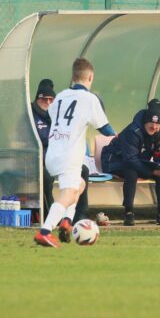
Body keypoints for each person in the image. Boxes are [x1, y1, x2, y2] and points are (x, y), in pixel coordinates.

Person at [34, 58, 115, 247]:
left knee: (79, 184)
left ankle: (66, 221)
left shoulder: (60, 96)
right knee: (69, 194)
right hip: (69, 155)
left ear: (73, 77)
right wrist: (117, 136)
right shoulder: (89, 99)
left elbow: (53, 115)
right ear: (91, 77)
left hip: (53, 153)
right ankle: (45, 231)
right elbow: (104, 128)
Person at [102, 105, 160, 226]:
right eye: (151, 124)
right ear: (144, 122)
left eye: (157, 124)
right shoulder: (133, 131)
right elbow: (130, 159)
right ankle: (129, 213)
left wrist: (158, 149)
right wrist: (152, 172)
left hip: (137, 160)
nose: (154, 127)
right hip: (114, 160)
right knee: (131, 171)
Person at [31, 79, 92, 223]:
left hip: (60, 159)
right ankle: (51, 216)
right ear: (37, 99)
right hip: (39, 161)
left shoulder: (59, 115)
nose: (47, 102)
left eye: (51, 99)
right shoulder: (30, 116)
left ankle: (80, 215)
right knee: (45, 176)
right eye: (43, 99)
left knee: (83, 170)